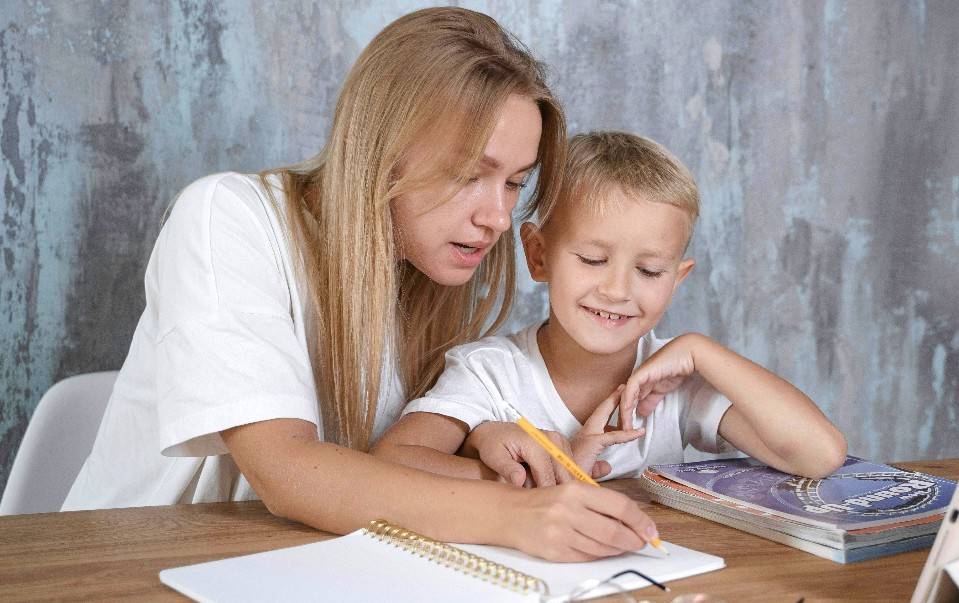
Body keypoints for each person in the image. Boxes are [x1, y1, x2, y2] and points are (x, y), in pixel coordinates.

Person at [62, 8, 660, 563]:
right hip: (129, 569)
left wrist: (483, 444)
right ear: (381, 149)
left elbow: (383, 469)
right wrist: (517, 513)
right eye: (468, 174)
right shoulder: (227, 215)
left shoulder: (426, 269)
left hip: (297, 572)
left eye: (514, 183)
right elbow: (287, 472)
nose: (498, 218)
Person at [372, 131, 847, 487]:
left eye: (649, 271)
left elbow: (820, 455)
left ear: (676, 280)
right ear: (539, 256)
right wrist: (513, 469)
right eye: (593, 260)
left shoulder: (675, 387)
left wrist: (699, 351)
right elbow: (390, 462)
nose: (618, 290)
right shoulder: (490, 374)